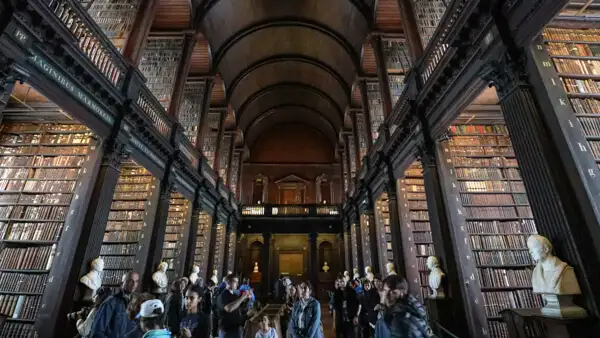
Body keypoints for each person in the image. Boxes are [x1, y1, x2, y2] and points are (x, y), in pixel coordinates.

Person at [90, 271, 140, 338]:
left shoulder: (137, 303)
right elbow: (96, 332)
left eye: (136, 281)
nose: (134, 284)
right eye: (130, 281)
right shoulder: (111, 302)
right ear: (122, 283)